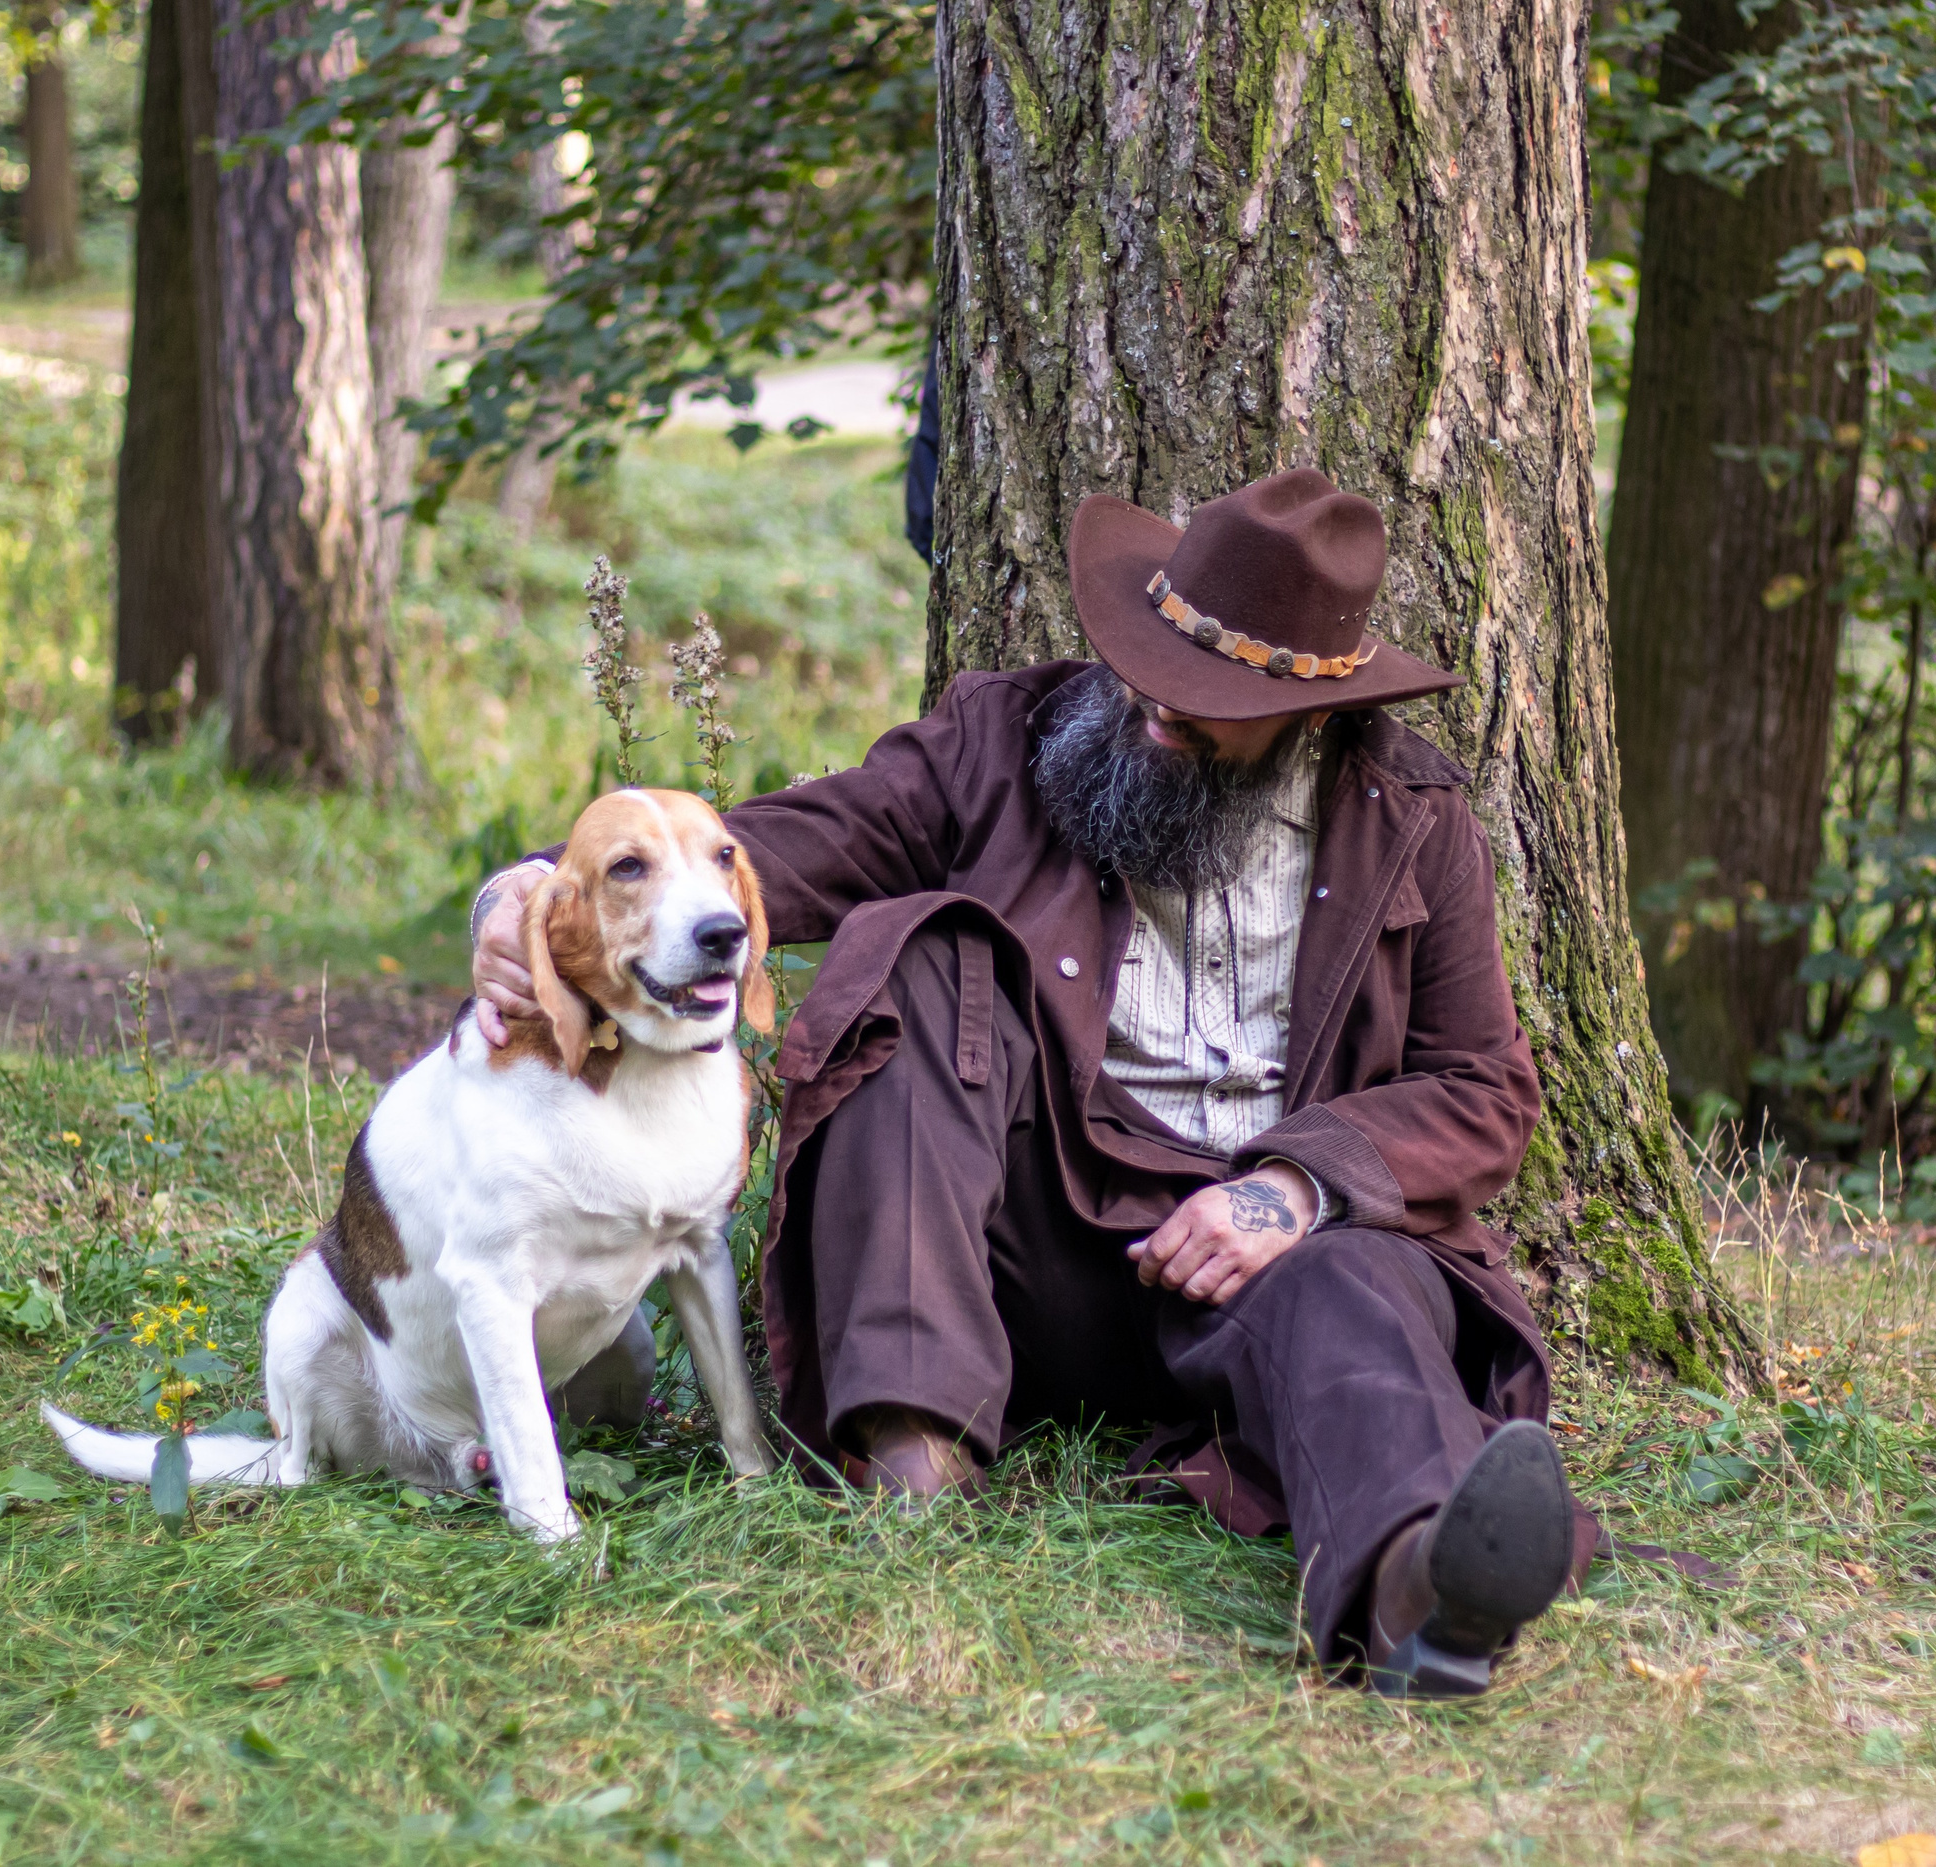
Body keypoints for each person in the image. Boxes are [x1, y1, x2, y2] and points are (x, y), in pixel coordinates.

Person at [471, 467, 1587, 1697]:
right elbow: (787, 846)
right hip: (1032, 1243)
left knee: (1359, 1285)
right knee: (922, 955)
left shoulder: (1411, 819)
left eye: (1213, 699)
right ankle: (912, 1469)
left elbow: (1483, 1089)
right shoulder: (1003, 742)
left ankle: (1420, 1586)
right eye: (1153, 664)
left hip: (1271, 1266)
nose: (1161, 706)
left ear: (1308, 713)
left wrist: (1291, 1190)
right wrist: (533, 893)